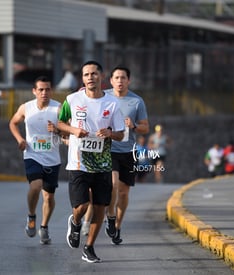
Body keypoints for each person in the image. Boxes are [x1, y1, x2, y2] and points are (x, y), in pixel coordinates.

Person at [57, 60, 125, 263]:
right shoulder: (72, 99)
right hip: (79, 163)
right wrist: (73, 130)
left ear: (101, 77)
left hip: (103, 163)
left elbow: (122, 134)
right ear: (82, 78)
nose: (90, 78)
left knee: (100, 207)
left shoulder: (112, 104)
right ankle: (75, 222)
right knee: (82, 206)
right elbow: (60, 123)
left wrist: (110, 133)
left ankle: (89, 247)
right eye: (86, 75)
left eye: (94, 74)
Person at [9, 76, 62, 245]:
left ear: (51, 90)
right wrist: (19, 139)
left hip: (52, 158)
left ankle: (44, 226)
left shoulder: (58, 108)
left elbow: (68, 131)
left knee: (49, 197)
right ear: (34, 91)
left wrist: (57, 130)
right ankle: (31, 216)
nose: (44, 93)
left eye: (47, 89)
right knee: (36, 186)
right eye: (40, 89)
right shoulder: (26, 107)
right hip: (32, 154)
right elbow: (13, 123)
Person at [104, 66, 149, 245]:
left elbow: (146, 127)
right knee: (114, 184)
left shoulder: (137, 101)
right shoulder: (104, 97)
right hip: (109, 149)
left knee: (123, 193)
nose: (120, 81)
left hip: (128, 152)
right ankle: (111, 216)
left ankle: (117, 227)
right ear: (111, 80)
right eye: (117, 77)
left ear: (128, 81)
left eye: (123, 78)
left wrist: (134, 126)